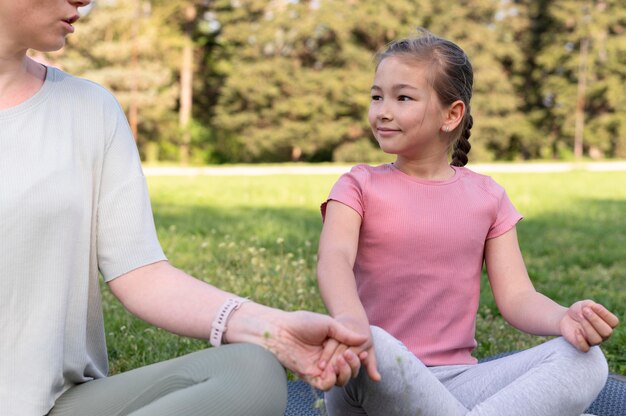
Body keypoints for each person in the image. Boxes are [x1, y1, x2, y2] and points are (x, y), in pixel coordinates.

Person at [0, 1, 366, 415]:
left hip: (59, 405)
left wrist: (274, 330)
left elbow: (142, 273)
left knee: (250, 372)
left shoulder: (90, 109)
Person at [316, 29, 619, 416]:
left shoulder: (487, 197)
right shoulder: (358, 185)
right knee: (376, 341)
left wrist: (564, 318)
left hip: (460, 383)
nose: (383, 110)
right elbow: (334, 259)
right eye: (377, 96)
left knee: (586, 360)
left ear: (452, 114)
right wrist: (350, 323)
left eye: (402, 97)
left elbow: (518, 298)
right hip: (375, 371)